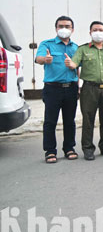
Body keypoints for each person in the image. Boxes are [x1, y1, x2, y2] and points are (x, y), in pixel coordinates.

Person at [65, 21, 103, 160]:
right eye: (95, 30)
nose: (98, 32)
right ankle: (88, 148)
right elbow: (75, 63)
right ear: (90, 33)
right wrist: (71, 64)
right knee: (88, 119)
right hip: (90, 89)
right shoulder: (83, 49)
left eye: (100, 30)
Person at [35, 16, 79, 164]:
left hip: (71, 88)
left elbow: (77, 68)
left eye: (67, 26)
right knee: (50, 121)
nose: (64, 29)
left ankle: (69, 148)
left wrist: (78, 85)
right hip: (53, 89)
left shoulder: (76, 47)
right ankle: (50, 151)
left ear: (72, 29)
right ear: (56, 28)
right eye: (61, 26)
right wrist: (45, 60)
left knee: (69, 121)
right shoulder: (47, 44)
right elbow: (38, 58)